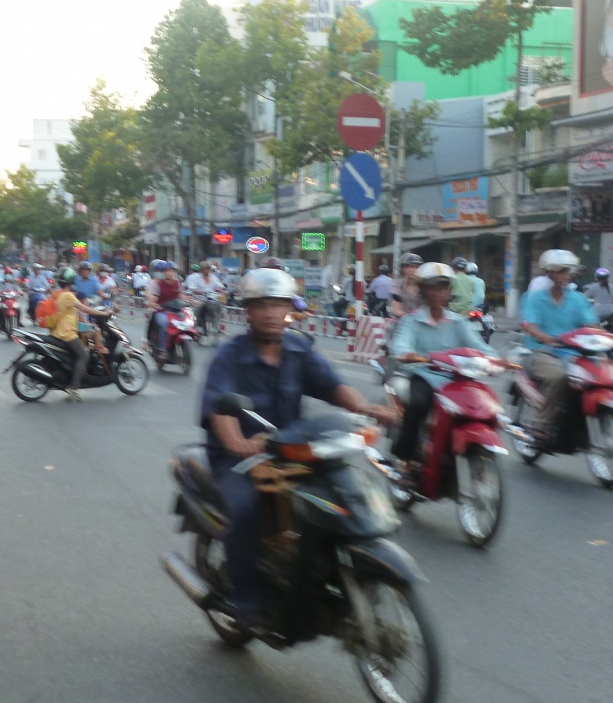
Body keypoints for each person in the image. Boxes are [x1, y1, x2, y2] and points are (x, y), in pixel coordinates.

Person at [200, 269, 398, 627]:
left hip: (290, 449)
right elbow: (220, 408)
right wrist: (237, 443)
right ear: (248, 311)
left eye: (278, 305)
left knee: (339, 495)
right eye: (262, 305)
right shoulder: (229, 356)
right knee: (245, 509)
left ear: (289, 309)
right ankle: (245, 599)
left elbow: (332, 386)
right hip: (239, 459)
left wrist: (366, 408)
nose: (271, 313)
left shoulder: (298, 348)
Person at [389, 263, 493, 471]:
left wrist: (495, 360)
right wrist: (408, 354)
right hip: (424, 376)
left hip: (455, 379)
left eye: (443, 287)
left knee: (483, 405)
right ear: (423, 291)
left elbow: (478, 345)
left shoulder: (457, 321)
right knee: (418, 404)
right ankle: (405, 458)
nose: (438, 293)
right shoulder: (412, 321)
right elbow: (401, 345)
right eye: (433, 287)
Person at [520, 250, 599, 442]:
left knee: (598, 375)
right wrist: (545, 338)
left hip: (573, 353)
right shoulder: (536, 298)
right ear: (550, 273)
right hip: (541, 351)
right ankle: (541, 422)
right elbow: (530, 326)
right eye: (561, 270)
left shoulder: (578, 299)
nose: (565, 275)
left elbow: (591, 323)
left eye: (567, 271)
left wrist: (610, 337)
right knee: (559, 376)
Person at [46, 266, 111, 400]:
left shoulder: (57, 294)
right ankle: (74, 386)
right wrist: (104, 313)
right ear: (71, 281)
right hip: (67, 333)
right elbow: (86, 309)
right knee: (84, 355)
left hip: (57, 331)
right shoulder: (68, 295)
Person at [144, 259, 182, 355]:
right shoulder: (157, 284)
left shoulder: (178, 283)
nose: (169, 273)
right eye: (166, 270)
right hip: (162, 311)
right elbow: (153, 298)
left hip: (175, 311)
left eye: (171, 270)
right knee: (163, 323)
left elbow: (181, 296)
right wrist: (152, 303)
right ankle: (162, 349)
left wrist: (190, 300)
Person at [184, 261, 225, 332]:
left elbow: (220, 286)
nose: (207, 270)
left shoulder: (214, 278)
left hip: (212, 299)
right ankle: (196, 326)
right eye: (206, 268)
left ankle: (216, 327)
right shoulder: (195, 278)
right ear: (202, 269)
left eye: (208, 268)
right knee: (196, 310)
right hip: (200, 299)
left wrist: (220, 291)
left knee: (219, 307)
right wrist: (200, 293)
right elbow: (192, 288)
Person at [390, 253, 424, 317]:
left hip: (423, 319)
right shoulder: (397, 285)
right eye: (407, 266)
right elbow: (396, 310)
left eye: (414, 267)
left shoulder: (424, 285)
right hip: (403, 319)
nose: (410, 270)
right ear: (402, 269)